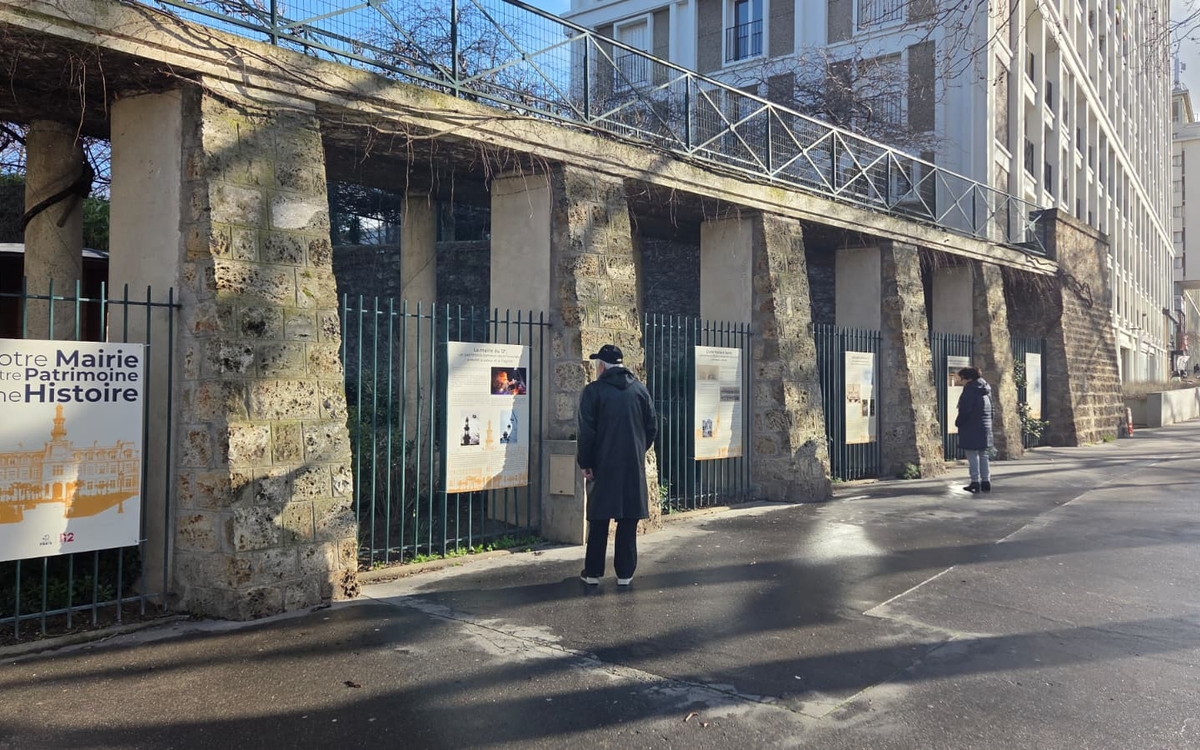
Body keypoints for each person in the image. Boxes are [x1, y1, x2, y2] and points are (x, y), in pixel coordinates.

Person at [577, 344, 657, 586]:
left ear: (602, 365)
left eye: (597, 364)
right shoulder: (641, 390)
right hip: (632, 464)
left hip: (603, 463)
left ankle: (593, 573)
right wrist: (636, 450)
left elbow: (587, 432)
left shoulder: (594, 391)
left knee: (599, 520)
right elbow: (651, 427)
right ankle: (625, 573)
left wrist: (586, 462)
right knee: (628, 519)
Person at [955, 366, 993, 493]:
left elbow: (965, 409)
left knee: (972, 455)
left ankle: (975, 481)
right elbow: (992, 409)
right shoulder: (986, 388)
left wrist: (958, 422)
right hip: (985, 426)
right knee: (983, 454)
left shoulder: (970, 389)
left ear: (968, 378)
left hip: (971, 426)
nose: (961, 381)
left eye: (961, 378)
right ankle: (986, 481)